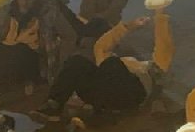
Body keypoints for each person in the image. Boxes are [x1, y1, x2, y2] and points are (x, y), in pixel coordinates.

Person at [34, 7, 173, 122]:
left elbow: (164, 46)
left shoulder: (151, 68)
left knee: (110, 63)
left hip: (131, 94)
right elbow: (101, 46)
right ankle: (54, 105)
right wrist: (128, 27)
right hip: (105, 93)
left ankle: (107, 113)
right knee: (78, 62)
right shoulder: (112, 60)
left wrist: (160, 17)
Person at [0, 0, 57, 96]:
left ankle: (28, 82)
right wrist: (11, 38)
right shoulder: (7, 10)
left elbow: (48, 44)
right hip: (7, 49)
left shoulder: (44, 14)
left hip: (32, 55)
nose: (25, 1)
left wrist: (33, 42)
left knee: (22, 52)